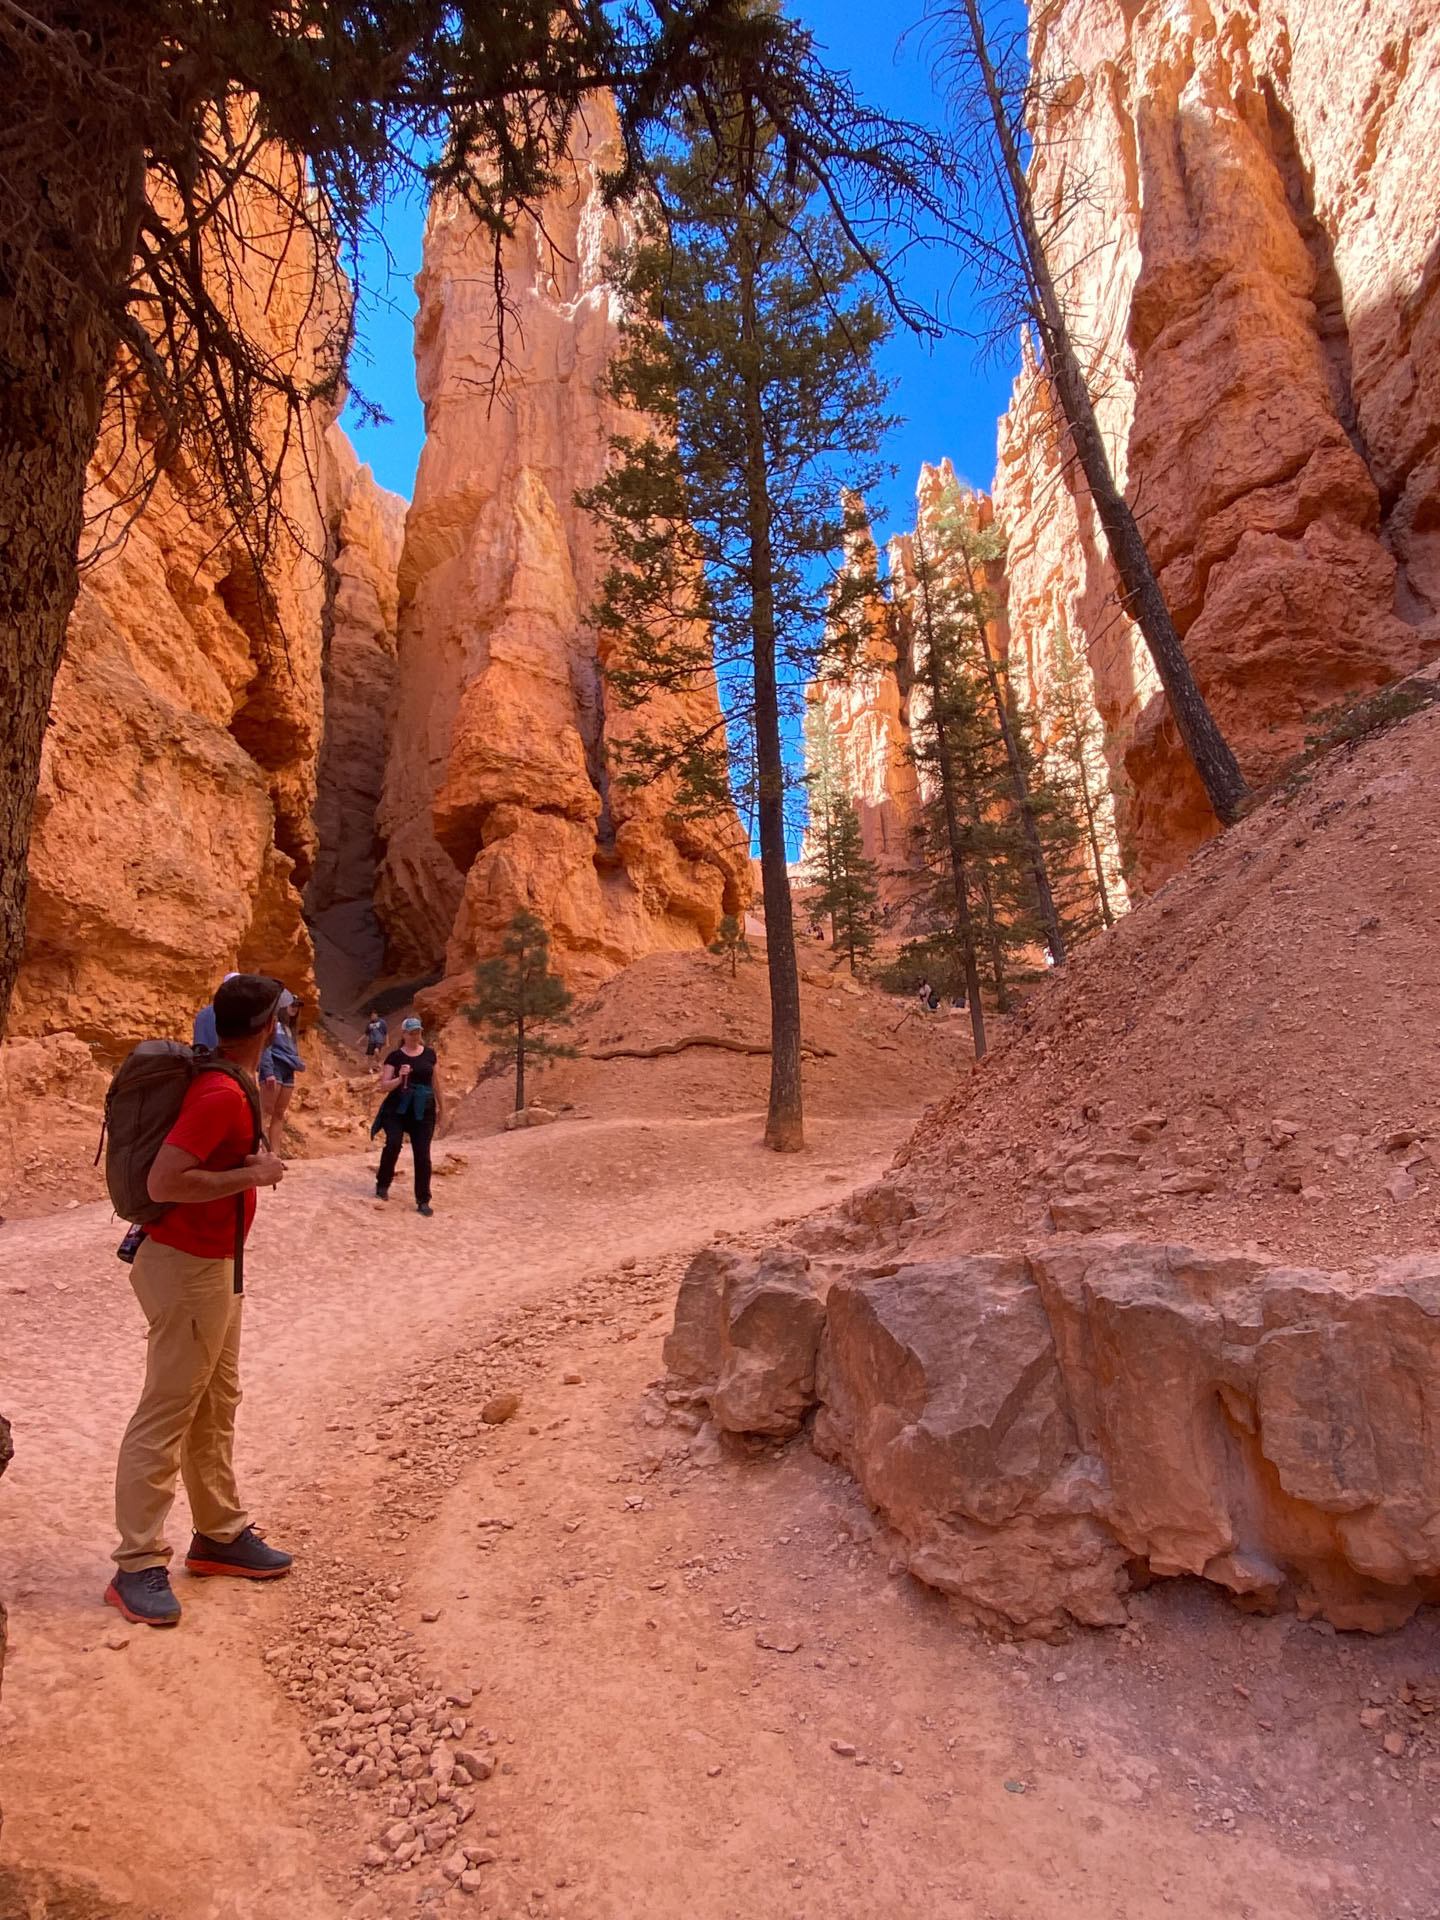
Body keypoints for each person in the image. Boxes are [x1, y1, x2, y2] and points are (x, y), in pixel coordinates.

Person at [107, 973, 293, 1629]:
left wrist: (260, 1143)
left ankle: (218, 1533)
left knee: (215, 1401)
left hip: (213, 1269)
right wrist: (255, 1172)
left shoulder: (233, 1085)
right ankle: (135, 1564)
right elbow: (167, 1178)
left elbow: (224, 1164)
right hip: (188, 1269)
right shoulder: (218, 1092)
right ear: (268, 1029)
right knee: (168, 1408)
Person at [372, 1016, 444, 1216]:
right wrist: (399, 1078)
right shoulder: (394, 1057)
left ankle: (423, 1200)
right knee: (393, 1143)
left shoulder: (430, 1055)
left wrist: (442, 1109)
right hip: (397, 1108)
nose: (415, 1036)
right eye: (411, 1033)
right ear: (403, 1035)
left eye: (418, 1032)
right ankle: (382, 1184)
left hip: (423, 1109)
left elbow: (436, 1082)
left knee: (422, 1154)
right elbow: (383, 1086)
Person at [264, 991, 306, 1157]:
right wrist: (267, 1071)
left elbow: (292, 1052)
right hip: (275, 1068)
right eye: (292, 1004)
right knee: (266, 1111)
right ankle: (259, 1153)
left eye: (297, 1006)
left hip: (288, 1071)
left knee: (279, 1113)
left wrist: (299, 1063)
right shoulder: (274, 1024)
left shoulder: (290, 1029)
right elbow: (266, 1047)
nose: (295, 1008)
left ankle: (275, 1155)